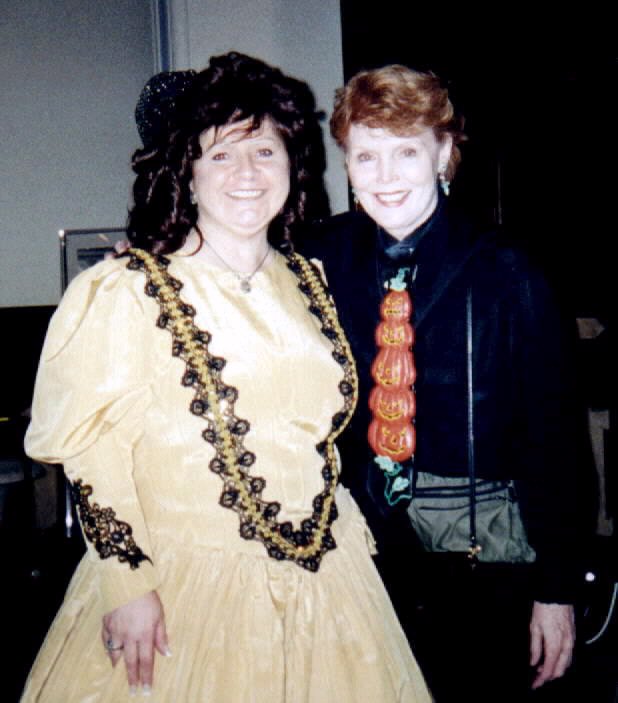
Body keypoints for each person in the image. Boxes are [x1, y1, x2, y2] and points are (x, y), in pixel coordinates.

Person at [22, 53, 431, 702]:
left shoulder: (314, 280)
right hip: (182, 587)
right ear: (188, 171)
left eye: (264, 151)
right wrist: (126, 584)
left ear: (292, 164)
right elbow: (93, 449)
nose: (246, 173)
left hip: (328, 580)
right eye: (220, 155)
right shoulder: (127, 288)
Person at [301, 64, 588, 702]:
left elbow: (556, 438)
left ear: (443, 153)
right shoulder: (318, 257)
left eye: (406, 152)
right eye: (366, 156)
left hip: (479, 549)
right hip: (357, 548)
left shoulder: (508, 270)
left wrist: (557, 588)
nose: (385, 176)